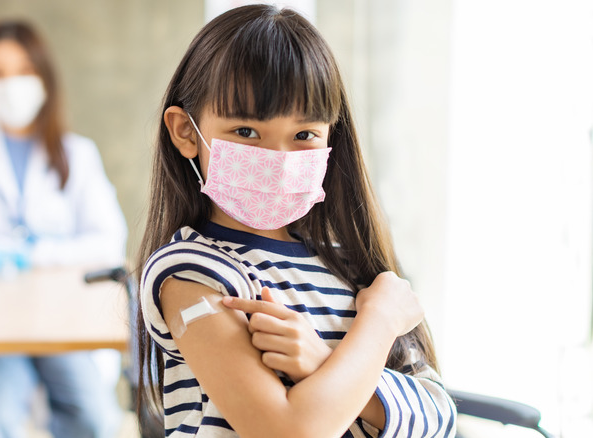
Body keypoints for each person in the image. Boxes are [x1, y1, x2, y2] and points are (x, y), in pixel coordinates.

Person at [137, 5, 456, 437]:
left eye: (304, 135)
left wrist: (319, 363)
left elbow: (438, 417)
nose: (279, 160)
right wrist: (378, 323)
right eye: (246, 132)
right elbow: (289, 431)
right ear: (186, 132)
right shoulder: (191, 273)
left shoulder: (350, 265)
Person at [0, 20, 126, 438]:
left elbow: (108, 241)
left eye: (23, 71)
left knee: (95, 418)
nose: (10, 84)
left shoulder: (76, 153)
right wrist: (35, 249)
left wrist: (30, 253)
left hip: (60, 317)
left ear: (43, 79)